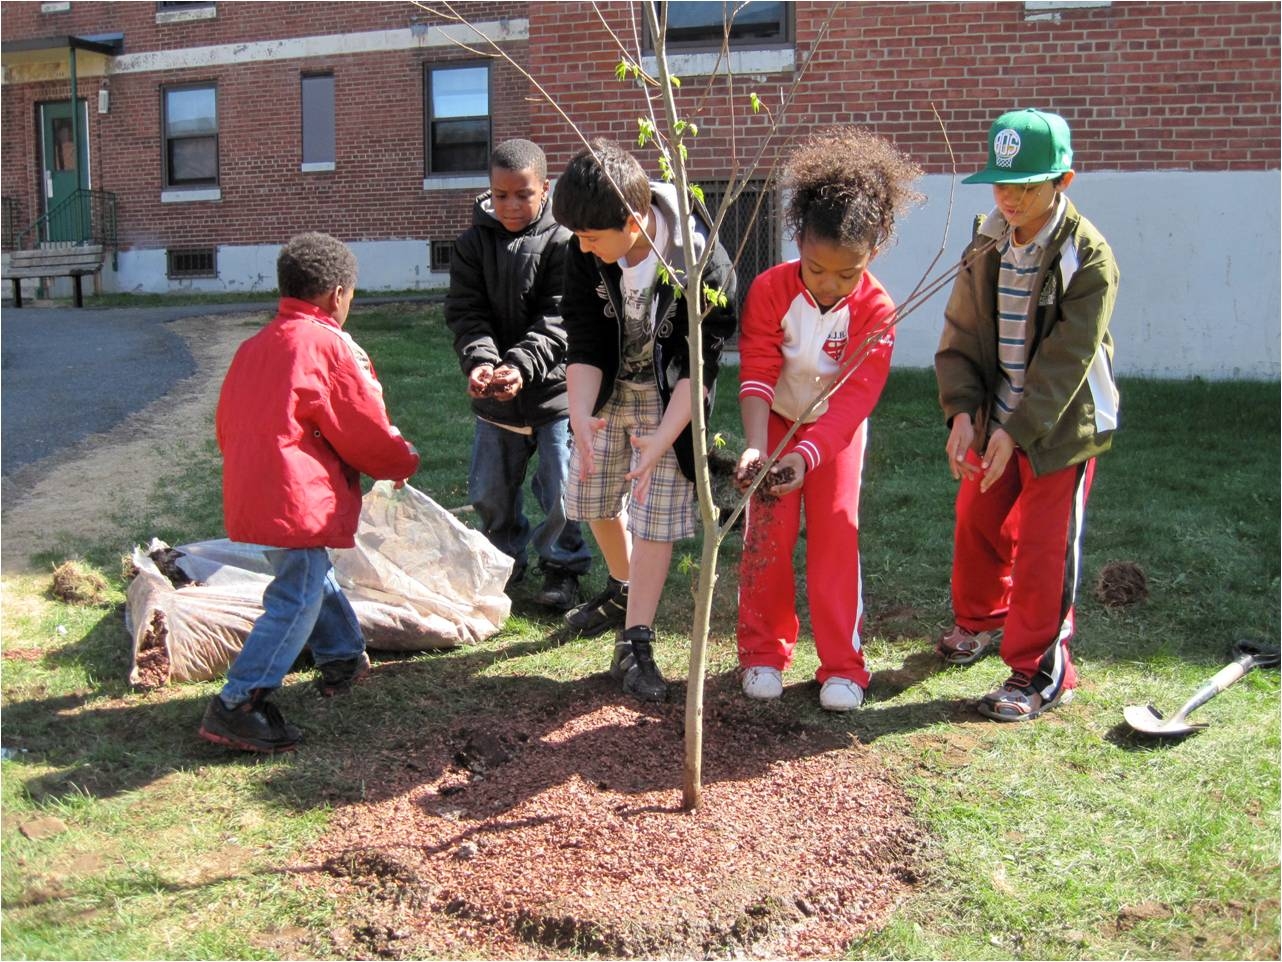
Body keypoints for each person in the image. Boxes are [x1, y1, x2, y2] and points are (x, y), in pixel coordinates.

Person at [199, 232, 420, 752]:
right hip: (295, 492)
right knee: (295, 595)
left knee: (308, 576)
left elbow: (224, 423)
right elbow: (361, 424)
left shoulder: (253, 346)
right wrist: (399, 460)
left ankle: (342, 655)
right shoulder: (328, 345)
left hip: (253, 485)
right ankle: (238, 702)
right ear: (337, 295)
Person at [935, 108, 1120, 721]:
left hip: (1060, 425)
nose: (1010, 197)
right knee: (977, 514)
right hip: (996, 413)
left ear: (1062, 182)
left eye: (1026, 184)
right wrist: (963, 413)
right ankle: (981, 621)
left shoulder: (1088, 258)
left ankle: (1038, 671)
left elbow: (1068, 362)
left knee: (1045, 545)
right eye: (1001, 182)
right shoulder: (986, 243)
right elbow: (961, 331)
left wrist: (1015, 432)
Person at [734, 127, 922, 712]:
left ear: (873, 255)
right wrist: (756, 447)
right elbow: (758, 372)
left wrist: (807, 453)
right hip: (775, 425)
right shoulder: (769, 289)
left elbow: (852, 400)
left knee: (837, 530)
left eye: (848, 273)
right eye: (817, 270)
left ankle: (843, 664)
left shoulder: (877, 311)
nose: (831, 284)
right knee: (768, 532)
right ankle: (763, 652)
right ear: (798, 241)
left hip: (833, 436)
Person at [551, 138, 736, 702]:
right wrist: (580, 412)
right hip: (607, 387)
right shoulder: (583, 252)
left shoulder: (702, 264)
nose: (581, 248)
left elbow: (697, 365)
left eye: (590, 238)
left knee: (656, 516)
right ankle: (623, 584)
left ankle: (636, 639)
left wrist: (664, 439)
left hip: (668, 395)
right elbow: (582, 336)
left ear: (632, 221)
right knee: (588, 497)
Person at [445, 138, 591, 610]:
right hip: (496, 400)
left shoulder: (565, 242)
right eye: (500, 194)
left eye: (523, 194)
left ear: (544, 189)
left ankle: (562, 567)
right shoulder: (470, 244)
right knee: (490, 489)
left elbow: (559, 317)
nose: (510, 205)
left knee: (561, 491)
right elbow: (466, 313)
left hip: (552, 396)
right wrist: (481, 362)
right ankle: (504, 557)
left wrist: (522, 365)